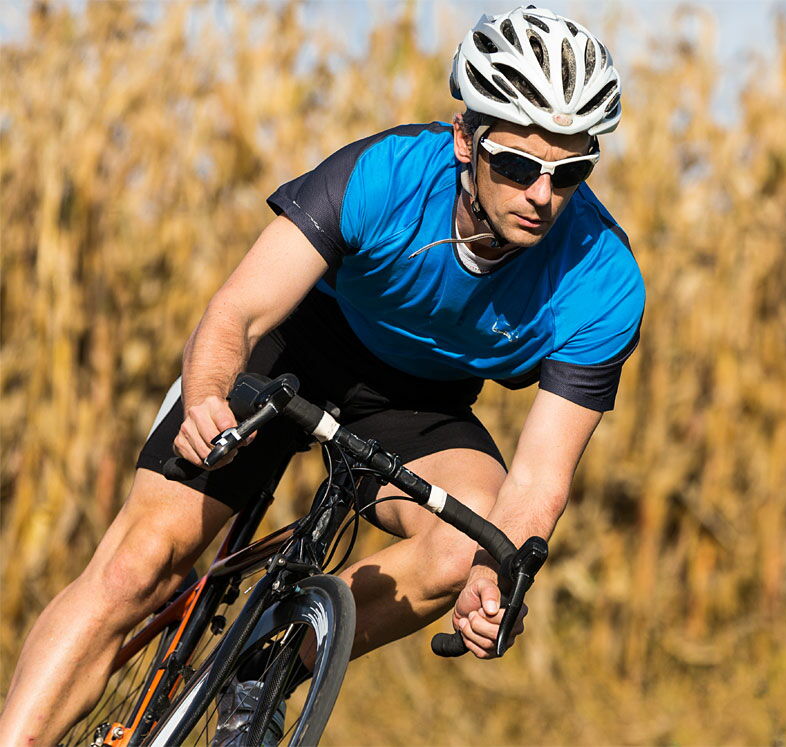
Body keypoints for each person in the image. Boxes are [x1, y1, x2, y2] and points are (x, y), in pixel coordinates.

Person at [0, 5, 644, 745]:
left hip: (419, 400)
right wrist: (208, 397)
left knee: (474, 539)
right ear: (466, 139)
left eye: (570, 172)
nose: (541, 195)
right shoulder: (386, 176)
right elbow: (238, 311)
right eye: (518, 165)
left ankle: (268, 664)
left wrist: (497, 576)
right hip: (294, 347)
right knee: (140, 564)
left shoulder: (603, 278)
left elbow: (538, 483)